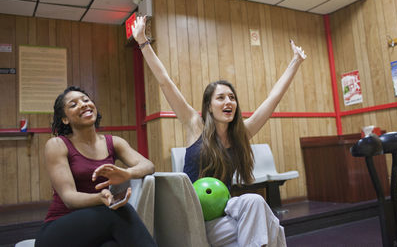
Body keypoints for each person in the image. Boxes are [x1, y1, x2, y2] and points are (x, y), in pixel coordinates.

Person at [132, 15, 306, 247]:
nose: (229, 102)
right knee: (269, 225)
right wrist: (143, 42)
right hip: (194, 216)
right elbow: (165, 82)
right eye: (221, 97)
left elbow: (272, 100)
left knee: (255, 202)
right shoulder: (195, 125)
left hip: (224, 213)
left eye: (232, 98)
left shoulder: (240, 134)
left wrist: (295, 62)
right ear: (208, 106)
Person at [35, 86, 157, 247]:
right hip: (58, 230)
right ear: (65, 119)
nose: (83, 104)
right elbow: (69, 198)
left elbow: (148, 165)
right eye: (73, 104)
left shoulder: (114, 142)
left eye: (86, 100)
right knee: (120, 211)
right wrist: (100, 198)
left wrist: (128, 173)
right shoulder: (57, 145)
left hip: (96, 228)